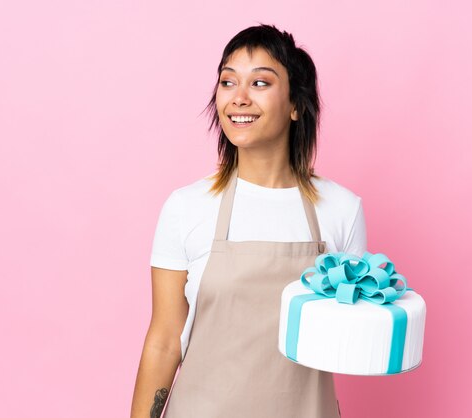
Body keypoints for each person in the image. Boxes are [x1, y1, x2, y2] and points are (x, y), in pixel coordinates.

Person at [130, 23, 367, 418]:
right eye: (228, 82)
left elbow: (346, 337)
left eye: (260, 83)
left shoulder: (341, 209)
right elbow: (165, 340)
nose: (238, 98)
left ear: (295, 105)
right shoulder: (187, 207)